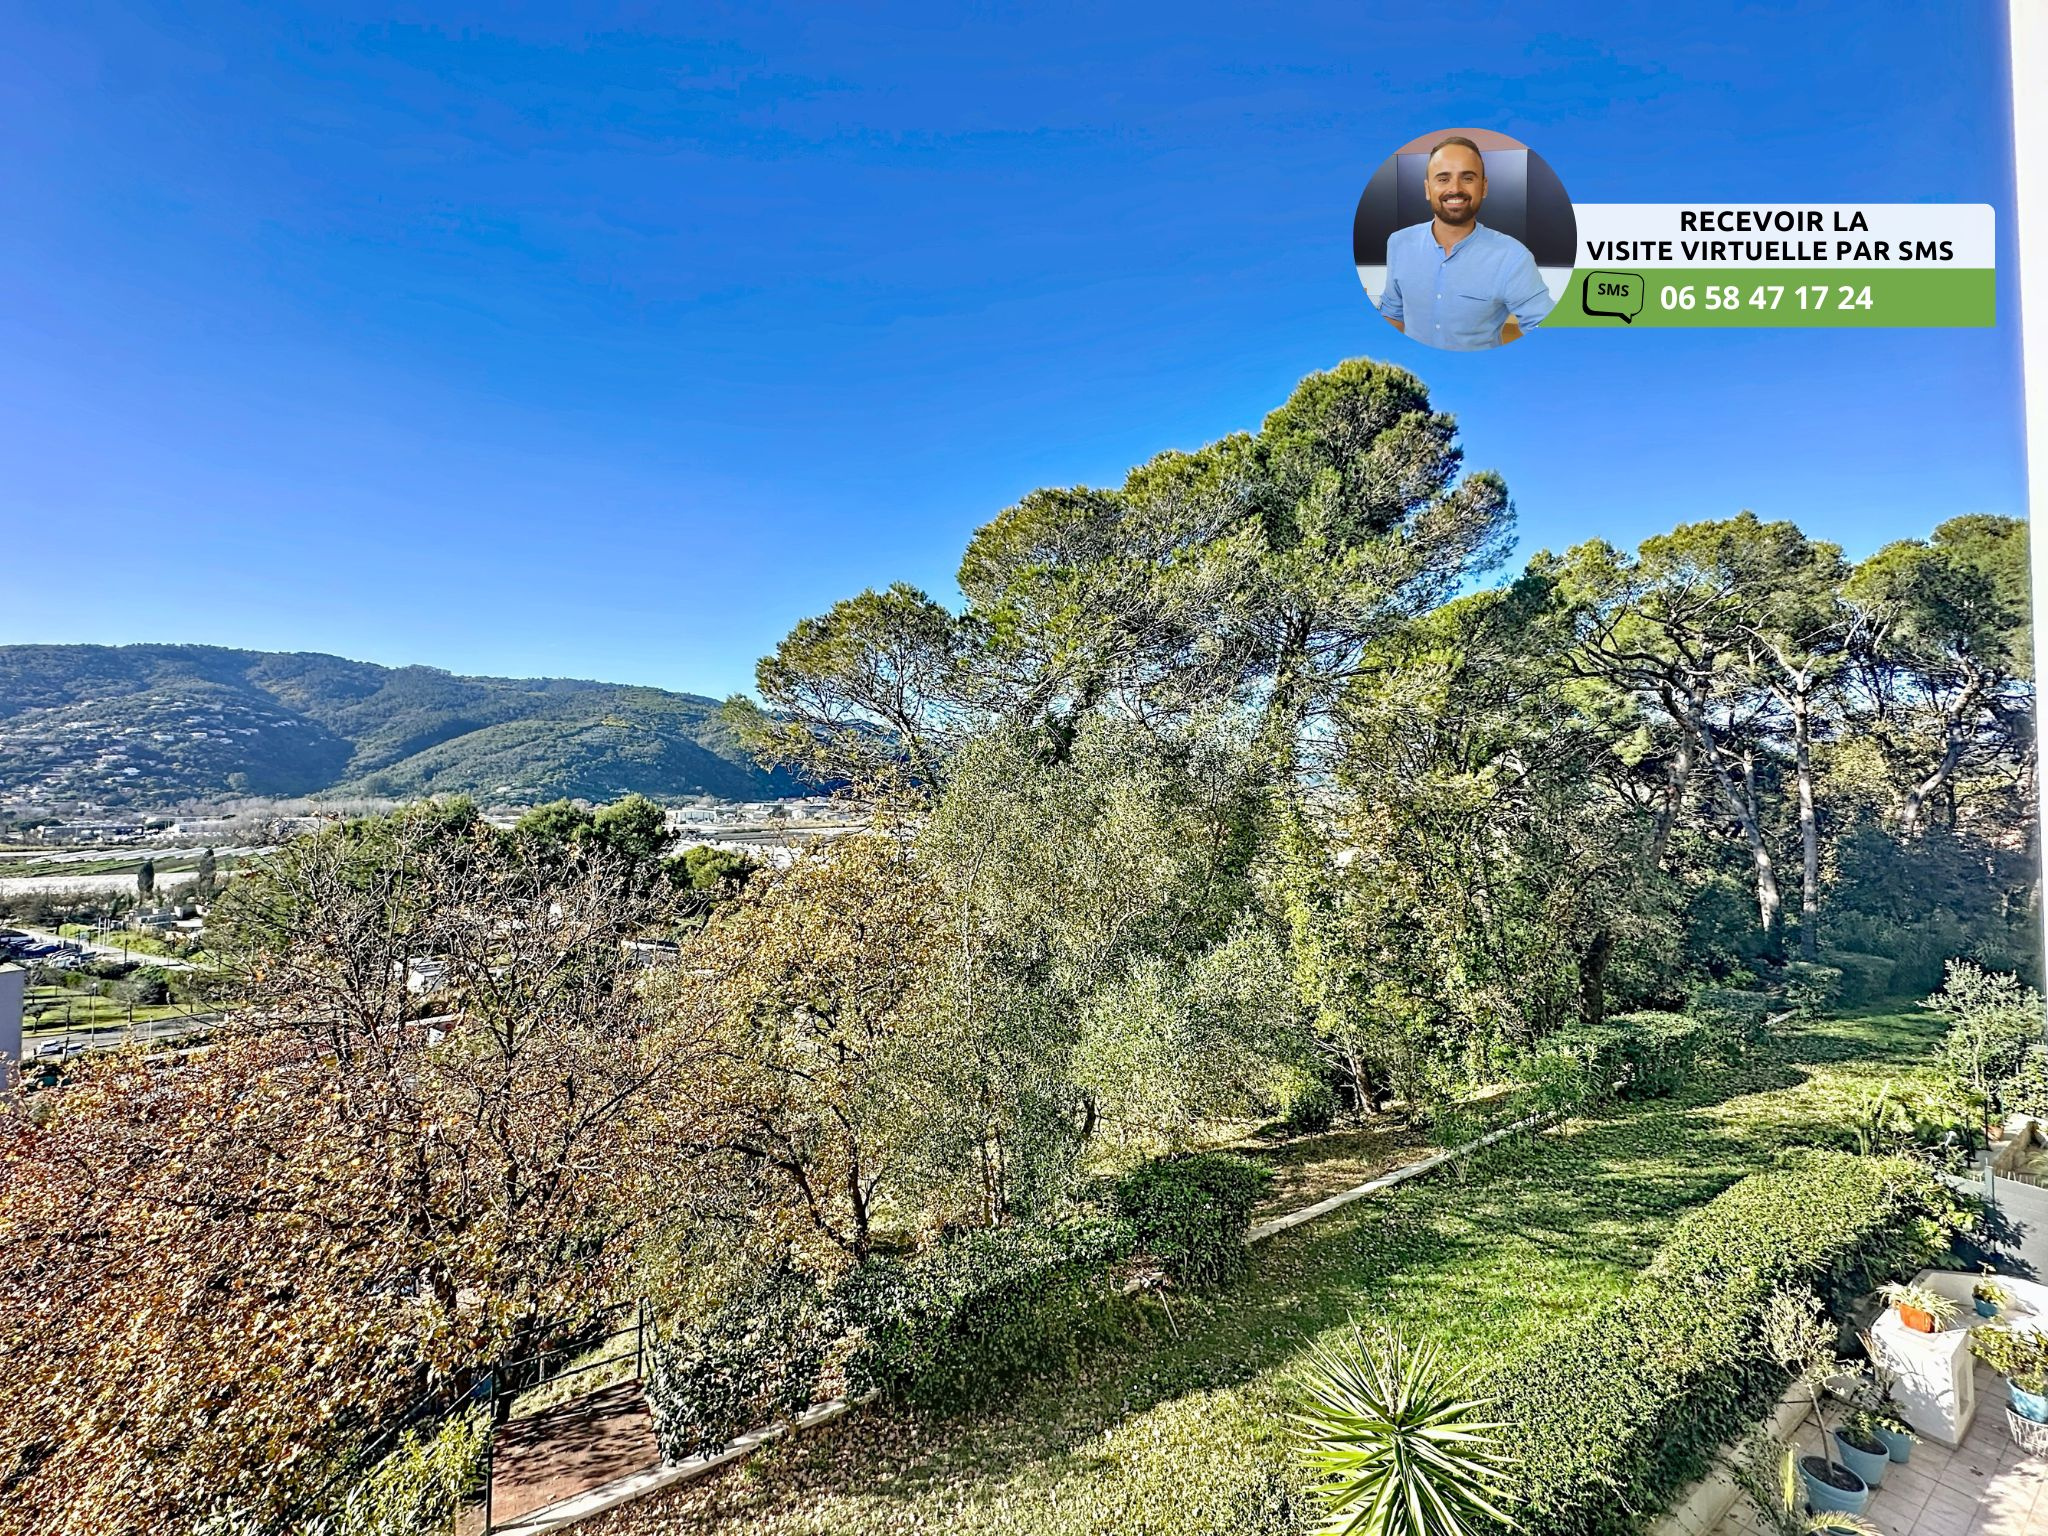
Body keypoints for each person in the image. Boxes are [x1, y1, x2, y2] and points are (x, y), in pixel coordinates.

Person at [1378, 136, 1554, 350]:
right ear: (1427, 189)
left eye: (1468, 178)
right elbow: (1392, 314)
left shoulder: (1513, 257)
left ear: (1484, 187)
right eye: (1443, 178)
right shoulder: (1399, 243)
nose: (1455, 188)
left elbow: (1547, 331)